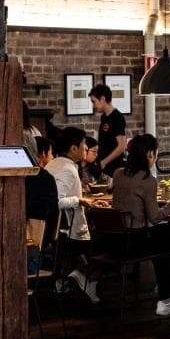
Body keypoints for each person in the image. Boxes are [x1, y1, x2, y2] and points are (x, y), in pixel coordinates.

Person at [111, 134, 170, 316]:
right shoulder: (147, 180)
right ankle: (166, 299)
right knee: (168, 241)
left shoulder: (118, 173)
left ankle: (168, 288)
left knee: (165, 237)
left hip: (113, 241)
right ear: (150, 154)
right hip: (133, 244)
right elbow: (155, 218)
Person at [44, 127, 108, 304]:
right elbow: (56, 201)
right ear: (73, 148)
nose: (86, 148)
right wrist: (79, 200)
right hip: (69, 232)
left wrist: (84, 200)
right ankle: (84, 276)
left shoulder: (53, 164)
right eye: (83, 144)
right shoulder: (67, 169)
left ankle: (70, 277)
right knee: (111, 244)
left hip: (54, 230)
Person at [89, 83, 127, 176]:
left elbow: (122, 146)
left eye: (94, 101)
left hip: (115, 167)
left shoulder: (117, 117)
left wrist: (104, 162)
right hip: (106, 166)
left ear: (102, 99)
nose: (93, 105)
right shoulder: (104, 117)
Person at [25, 136, 59, 236]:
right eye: (51, 153)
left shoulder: (22, 175)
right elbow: (52, 210)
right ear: (43, 153)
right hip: (38, 232)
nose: (52, 157)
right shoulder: (46, 178)